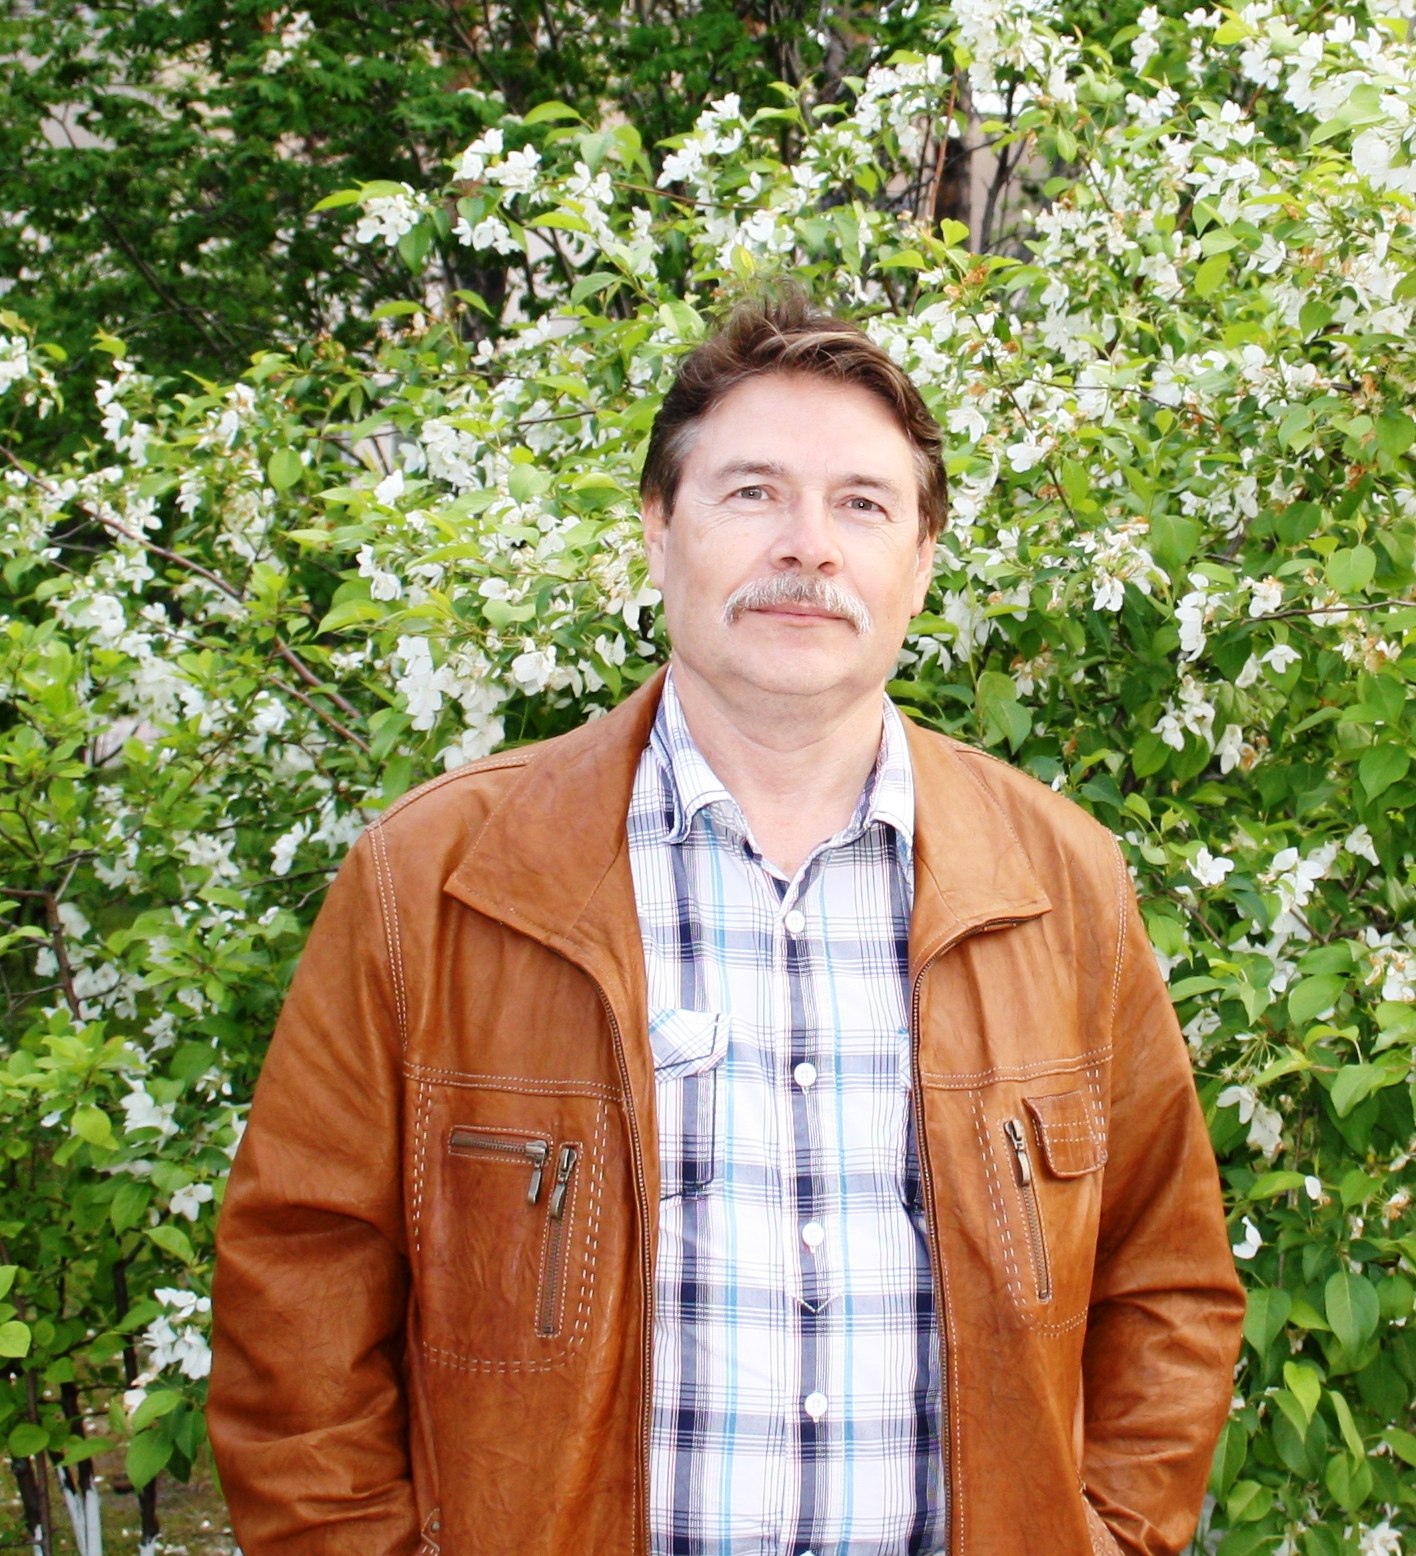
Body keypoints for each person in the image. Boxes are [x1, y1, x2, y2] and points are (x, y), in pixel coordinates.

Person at [208, 293, 1244, 1556]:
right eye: (753, 492)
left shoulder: (1061, 886)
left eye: (862, 504)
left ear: (921, 561)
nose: (809, 547)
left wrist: (1109, 1537)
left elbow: (1167, 1281)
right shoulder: (433, 880)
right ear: (659, 528)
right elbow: (297, 1292)